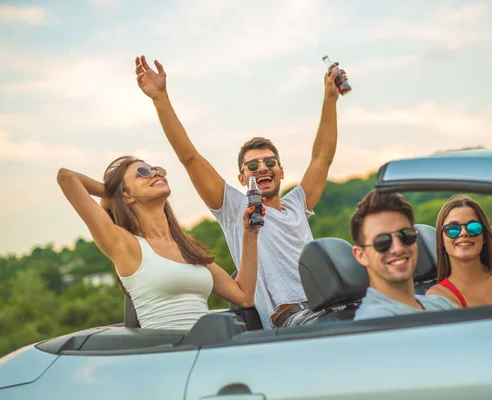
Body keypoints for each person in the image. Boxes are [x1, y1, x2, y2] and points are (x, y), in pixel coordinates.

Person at [134, 55, 347, 329]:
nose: (262, 168)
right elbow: (190, 157)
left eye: (269, 162)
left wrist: (330, 99)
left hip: (331, 306)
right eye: (252, 165)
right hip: (293, 321)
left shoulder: (297, 205)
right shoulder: (236, 209)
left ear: (281, 171)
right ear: (241, 177)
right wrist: (160, 98)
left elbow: (322, 157)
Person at [57, 156, 264, 330]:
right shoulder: (125, 245)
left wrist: (250, 234)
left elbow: (244, 296)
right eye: (143, 173)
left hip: (208, 352)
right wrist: (113, 192)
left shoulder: (186, 247)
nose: (156, 173)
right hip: (168, 359)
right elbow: (67, 177)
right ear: (126, 194)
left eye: (156, 169)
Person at [350, 190, 457, 320]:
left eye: (406, 235)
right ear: (361, 255)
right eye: (382, 241)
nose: (398, 248)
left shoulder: (441, 304)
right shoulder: (373, 324)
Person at [426, 195, 492, 308]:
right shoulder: (439, 296)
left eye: (473, 227)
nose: (463, 233)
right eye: (453, 228)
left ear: (484, 236)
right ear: (441, 239)